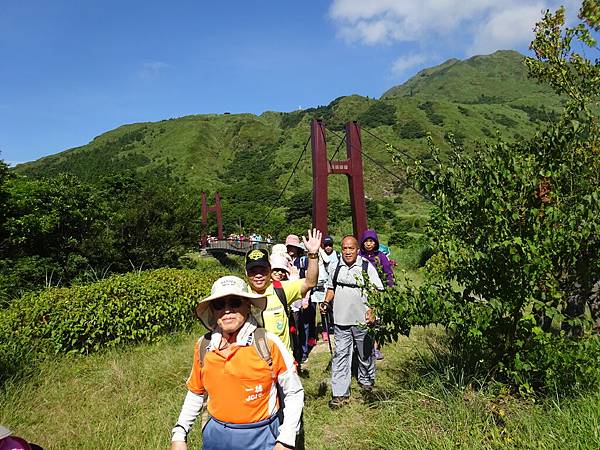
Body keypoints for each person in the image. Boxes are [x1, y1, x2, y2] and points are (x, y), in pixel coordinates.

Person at [170, 276, 303, 450]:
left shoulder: (268, 343)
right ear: (212, 311)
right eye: (219, 304)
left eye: (234, 302)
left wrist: (286, 439)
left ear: (248, 305)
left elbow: (293, 391)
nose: (227, 310)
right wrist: (180, 434)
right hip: (216, 436)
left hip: (261, 436)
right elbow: (196, 392)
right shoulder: (204, 346)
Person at [320, 235, 384, 408]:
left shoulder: (366, 267)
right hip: (341, 320)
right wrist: (326, 302)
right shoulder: (335, 266)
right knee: (341, 355)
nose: (348, 251)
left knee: (365, 353)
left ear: (357, 250)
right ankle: (340, 393)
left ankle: (366, 381)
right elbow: (331, 288)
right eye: (345, 248)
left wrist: (372, 310)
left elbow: (377, 290)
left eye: (351, 248)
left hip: (362, 320)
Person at [245, 229, 321, 356]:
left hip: (283, 365)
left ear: (269, 270)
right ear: (246, 273)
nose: (258, 275)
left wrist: (312, 255)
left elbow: (310, 283)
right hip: (254, 366)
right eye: (253, 271)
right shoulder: (240, 295)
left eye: (262, 270)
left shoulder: (281, 288)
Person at [359, 229, 395, 360]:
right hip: (362, 292)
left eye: (371, 241)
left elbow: (388, 272)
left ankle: (376, 348)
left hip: (378, 293)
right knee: (365, 320)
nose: (368, 244)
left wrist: (390, 287)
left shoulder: (380, 256)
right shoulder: (359, 257)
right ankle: (364, 346)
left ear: (375, 243)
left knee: (377, 321)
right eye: (366, 241)